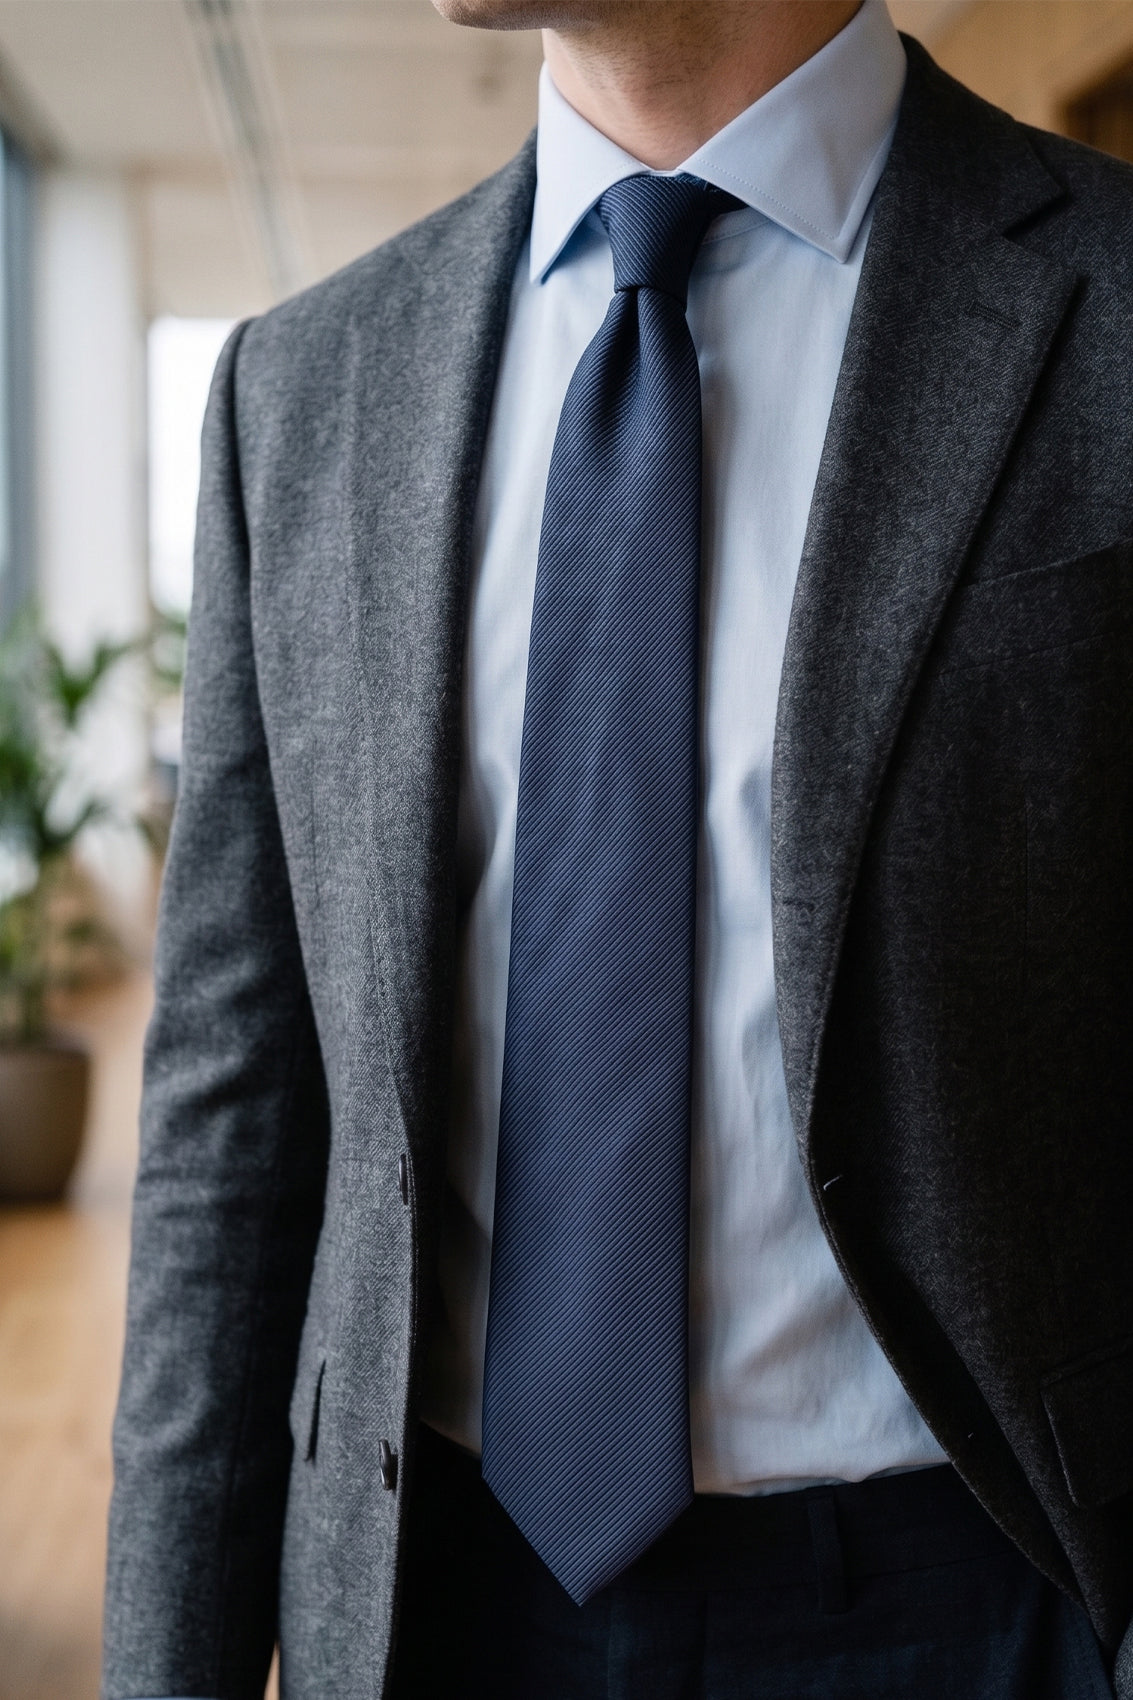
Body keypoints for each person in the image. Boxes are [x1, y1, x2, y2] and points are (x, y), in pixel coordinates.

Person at [102, 0, 1133, 1695]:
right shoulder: (302, 392)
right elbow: (232, 1124)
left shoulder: (1103, 301)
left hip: (991, 1597)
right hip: (434, 1607)